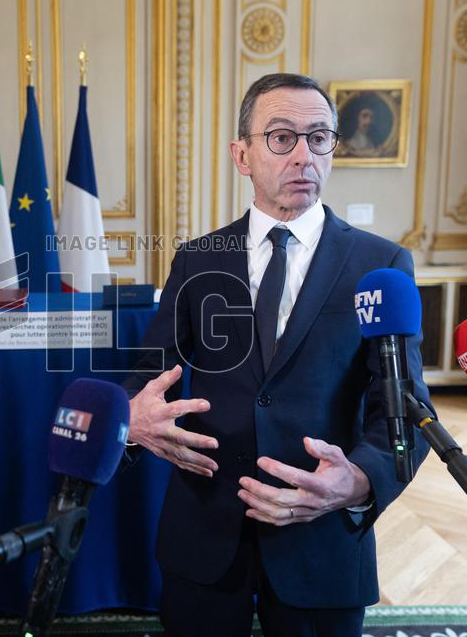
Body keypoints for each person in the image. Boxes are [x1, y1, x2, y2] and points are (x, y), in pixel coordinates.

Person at [123, 73, 432, 637]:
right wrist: (131, 417)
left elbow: (406, 411)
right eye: (282, 137)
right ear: (241, 156)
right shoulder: (198, 259)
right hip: (206, 530)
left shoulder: (381, 265)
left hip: (321, 538)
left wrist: (359, 481)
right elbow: (147, 376)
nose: (304, 155)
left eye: (319, 138)